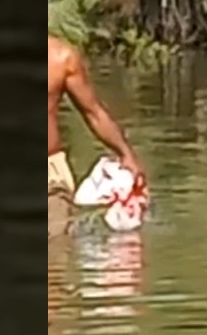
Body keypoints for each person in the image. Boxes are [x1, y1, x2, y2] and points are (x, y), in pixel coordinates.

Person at [47, 34, 144, 236]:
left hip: (50, 175)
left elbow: (94, 113)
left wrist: (126, 154)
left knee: (54, 248)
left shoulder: (61, 57)